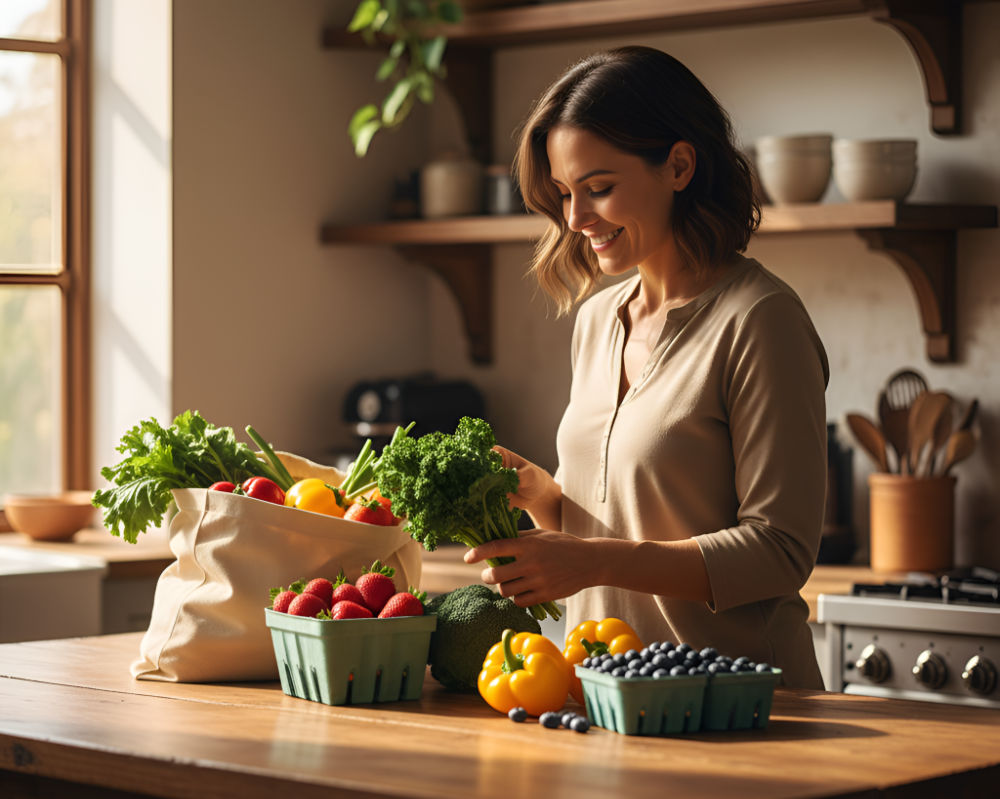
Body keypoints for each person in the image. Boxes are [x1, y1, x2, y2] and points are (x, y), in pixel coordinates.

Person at [463, 46, 829, 689]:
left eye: (598, 189)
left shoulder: (760, 319)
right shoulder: (598, 321)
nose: (575, 220)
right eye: (565, 194)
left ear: (679, 166)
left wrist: (590, 560)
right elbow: (625, 528)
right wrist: (548, 501)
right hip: (609, 695)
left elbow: (780, 551)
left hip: (742, 706)